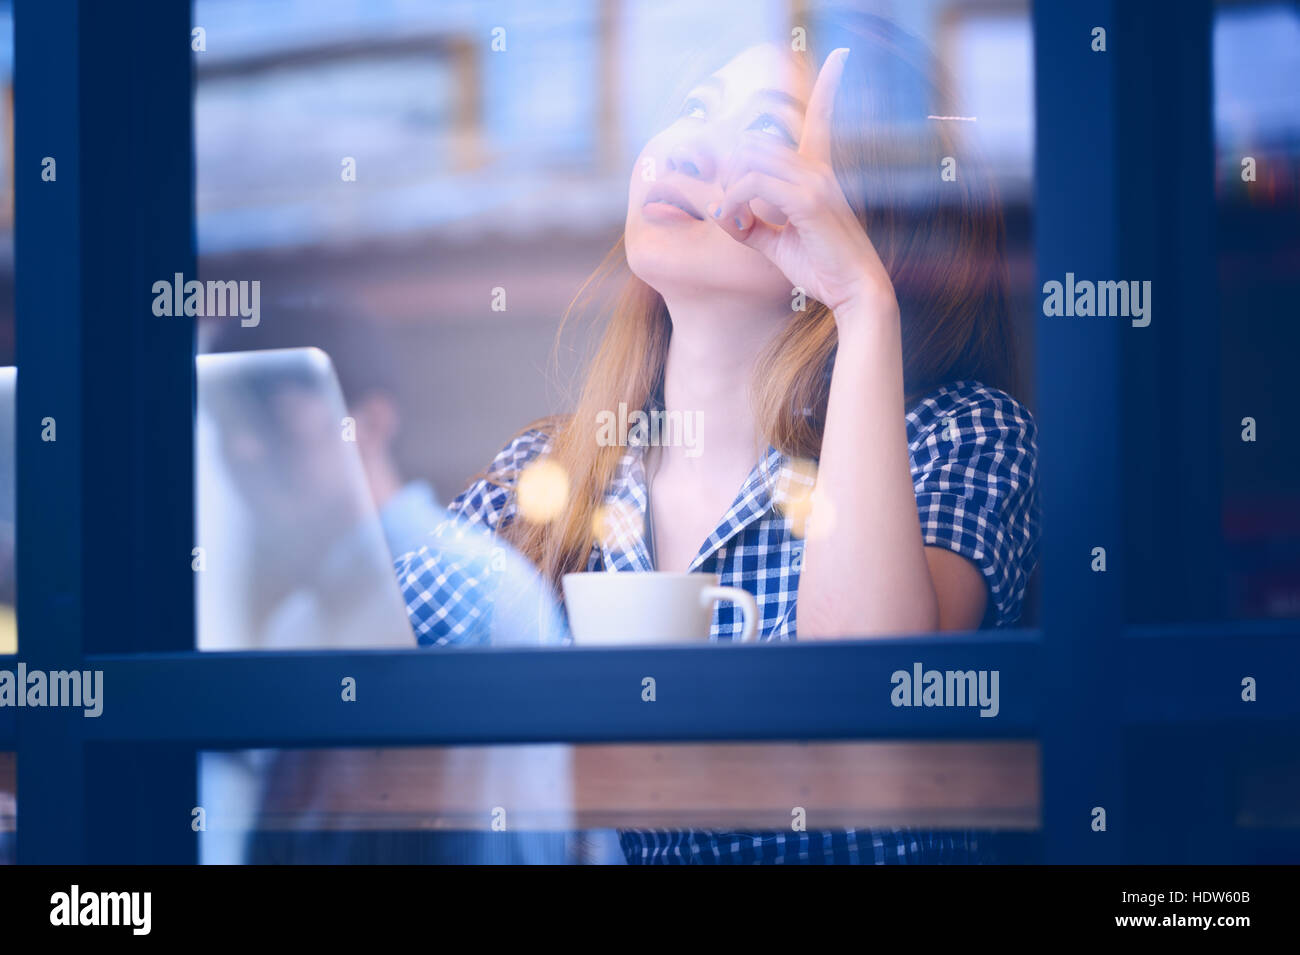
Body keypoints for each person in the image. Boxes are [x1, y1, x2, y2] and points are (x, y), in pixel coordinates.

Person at [396, 9, 1039, 863]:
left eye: (767, 128)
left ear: (869, 215)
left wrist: (860, 301)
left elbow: (872, 690)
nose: (685, 146)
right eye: (692, 108)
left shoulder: (962, 438)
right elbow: (336, 681)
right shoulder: (547, 477)